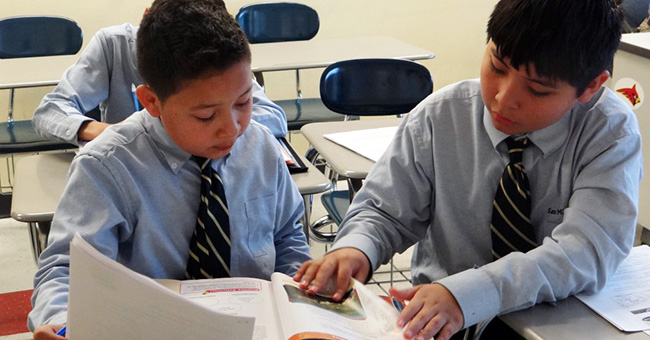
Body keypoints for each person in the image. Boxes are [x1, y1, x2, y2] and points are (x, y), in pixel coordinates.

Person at [294, 0, 642, 339]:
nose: (504, 98)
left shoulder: (609, 133)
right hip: (435, 322)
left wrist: (470, 294)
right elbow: (384, 211)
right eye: (498, 67)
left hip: (556, 324)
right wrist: (357, 249)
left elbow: (584, 251)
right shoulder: (440, 117)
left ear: (592, 86)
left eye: (537, 90)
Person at [29, 0, 310, 338]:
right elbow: (67, 270)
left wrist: (302, 304)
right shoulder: (107, 166)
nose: (232, 128)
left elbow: (287, 236)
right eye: (206, 116)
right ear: (151, 102)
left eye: (244, 102)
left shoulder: (260, 146)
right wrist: (63, 322)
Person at [32, 2, 288, 145]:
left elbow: (273, 117)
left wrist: (209, 128)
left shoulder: (216, 53)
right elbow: (51, 110)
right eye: (205, 115)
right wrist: (103, 131)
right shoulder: (114, 44)